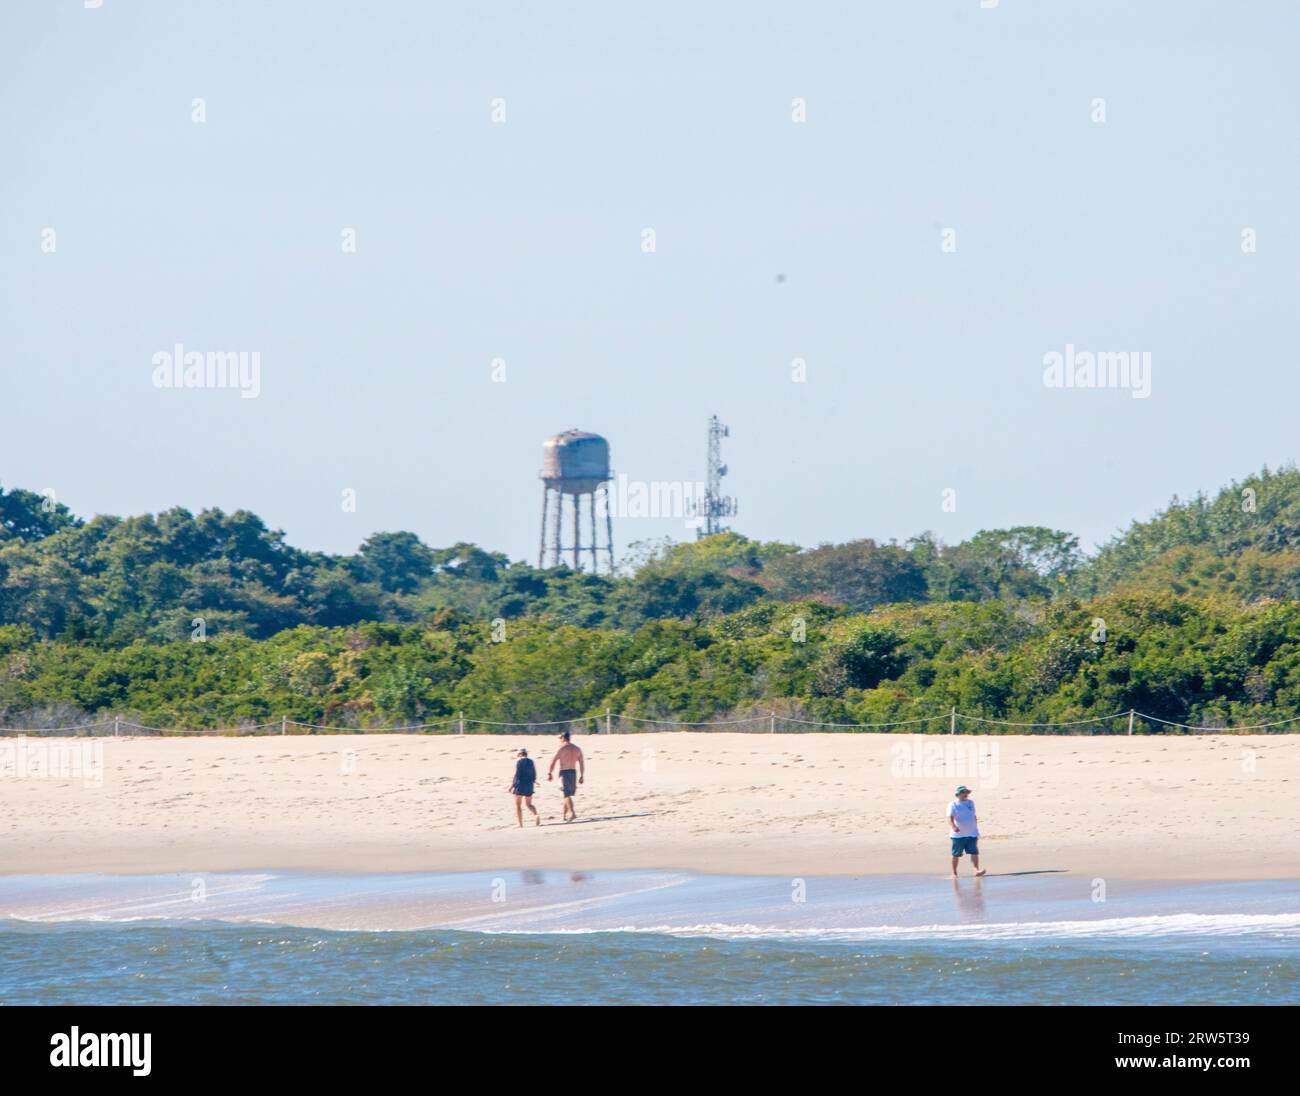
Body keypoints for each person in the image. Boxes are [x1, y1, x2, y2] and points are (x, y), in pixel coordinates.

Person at [948, 785, 986, 877]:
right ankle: (954, 873)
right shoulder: (953, 804)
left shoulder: (971, 802)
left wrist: (976, 829)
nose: (966, 794)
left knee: (974, 852)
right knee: (956, 854)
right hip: (958, 835)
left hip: (972, 833)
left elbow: (973, 816)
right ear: (958, 794)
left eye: (967, 793)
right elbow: (950, 819)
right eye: (963, 792)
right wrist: (953, 827)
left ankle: (976, 870)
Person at [547, 730, 585, 822]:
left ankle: (572, 813)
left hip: (564, 772)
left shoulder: (561, 748)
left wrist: (549, 773)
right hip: (573, 772)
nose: (560, 740)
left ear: (563, 738)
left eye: (560, 738)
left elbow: (553, 761)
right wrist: (582, 775)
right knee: (566, 793)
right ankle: (564, 816)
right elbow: (581, 763)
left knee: (566, 794)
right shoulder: (577, 748)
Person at [509, 749, 539, 827]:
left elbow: (517, 775)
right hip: (529, 785)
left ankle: (520, 824)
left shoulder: (519, 761)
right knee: (529, 804)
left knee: (518, 805)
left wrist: (512, 786)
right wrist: (534, 781)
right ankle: (536, 815)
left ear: (519, 754)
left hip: (520, 785)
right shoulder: (531, 761)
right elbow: (534, 773)